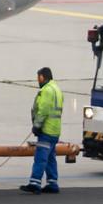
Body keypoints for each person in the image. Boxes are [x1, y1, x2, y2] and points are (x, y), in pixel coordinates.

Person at [21, 66, 63, 194]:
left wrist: (37, 126)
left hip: (46, 130)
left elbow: (43, 110)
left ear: (42, 77)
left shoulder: (46, 90)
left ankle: (35, 182)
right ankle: (52, 183)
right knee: (50, 157)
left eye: (38, 78)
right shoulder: (57, 89)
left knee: (41, 156)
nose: (38, 81)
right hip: (55, 130)